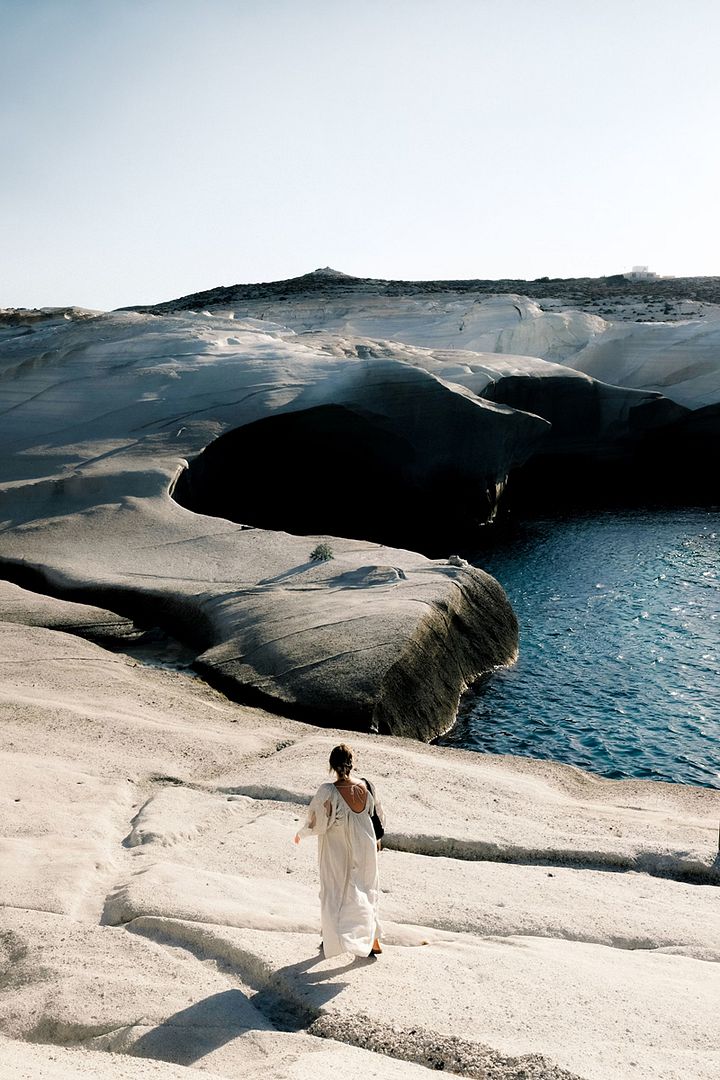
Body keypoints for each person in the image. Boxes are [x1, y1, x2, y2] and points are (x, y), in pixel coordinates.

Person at [294, 743, 385, 959]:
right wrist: (377, 841)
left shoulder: (328, 791)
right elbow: (378, 817)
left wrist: (301, 833)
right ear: (352, 764)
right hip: (366, 846)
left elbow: (318, 822)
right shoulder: (367, 786)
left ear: (331, 766)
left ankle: (332, 940)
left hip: (338, 849)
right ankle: (372, 941)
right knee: (366, 890)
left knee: (334, 892)